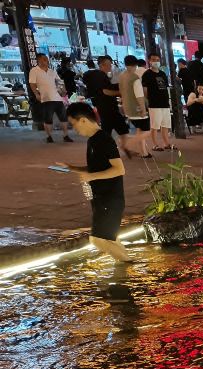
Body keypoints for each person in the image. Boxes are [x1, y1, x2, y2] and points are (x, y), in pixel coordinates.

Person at [56, 102, 131, 263]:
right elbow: (95, 168)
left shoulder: (104, 140)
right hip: (102, 199)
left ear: (83, 120)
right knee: (110, 239)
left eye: (74, 124)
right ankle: (127, 265)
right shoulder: (93, 140)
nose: (74, 129)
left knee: (97, 239)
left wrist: (91, 177)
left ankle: (129, 266)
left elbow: (119, 169)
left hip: (110, 199)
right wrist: (71, 168)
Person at [82, 56, 130, 153]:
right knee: (113, 129)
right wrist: (121, 93)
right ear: (102, 65)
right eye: (109, 65)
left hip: (105, 107)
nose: (110, 67)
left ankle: (120, 148)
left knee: (117, 128)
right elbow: (106, 91)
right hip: (107, 107)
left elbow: (107, 88)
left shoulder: (98, 76)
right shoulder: (99, 76)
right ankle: (106, 150)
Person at [29, 53, 72, 143]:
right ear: (39, 60)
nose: (47, 61)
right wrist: (36, 94)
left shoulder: (52, 71)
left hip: (57, 97)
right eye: (44, 59)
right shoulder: (34, 71)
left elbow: (59, 81)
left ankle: (66, 135)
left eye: (47, 59)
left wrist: (63, 89)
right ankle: (49, 136)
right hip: (46, 98)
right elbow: (32, 84)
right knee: (48, 119)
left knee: (63, 117)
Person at [117, 55, 151, 159]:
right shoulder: (134, 78)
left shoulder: (122, 75)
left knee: (140, 130)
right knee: (147, 131)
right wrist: (143, 109)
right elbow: (139, 95)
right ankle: (127, 144)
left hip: (127, 107)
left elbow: (121, 91)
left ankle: (144, 152)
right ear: (135, 65)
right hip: (137, 108)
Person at [141, 53, 173, 151]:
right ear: (149, 61)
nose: (156, 62)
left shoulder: (162, 74)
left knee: (165, 124)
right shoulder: (147, 74)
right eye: (154, 60)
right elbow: (145, 90)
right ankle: (155, 144)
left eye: (157, 60)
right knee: (155, 125)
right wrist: (150, 99)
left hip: (165, 103)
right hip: (154, 104)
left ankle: (166, 143)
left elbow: (166, 88)